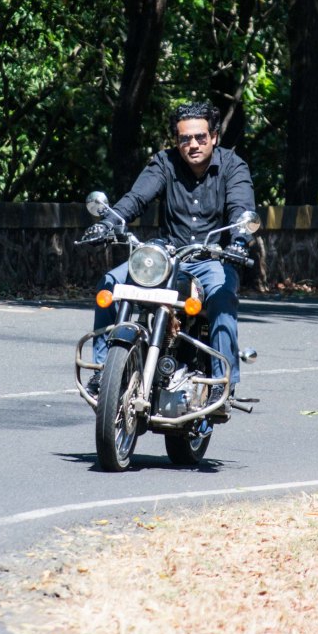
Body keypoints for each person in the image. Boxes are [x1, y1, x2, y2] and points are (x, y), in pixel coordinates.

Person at [79, 101, 256, 418]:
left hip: (211, 258)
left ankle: (221, 384)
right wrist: (107, 223)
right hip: (167, 256)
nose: (193, 145)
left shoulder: (233, 166)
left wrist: (240, 241)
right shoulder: (165, 163)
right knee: (110, 284)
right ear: (177, 140)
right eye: (185, 138)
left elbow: (243, 210)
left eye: (200, 137)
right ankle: (105, 370)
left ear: (214, 136)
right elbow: (136, 199)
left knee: (222, 295)